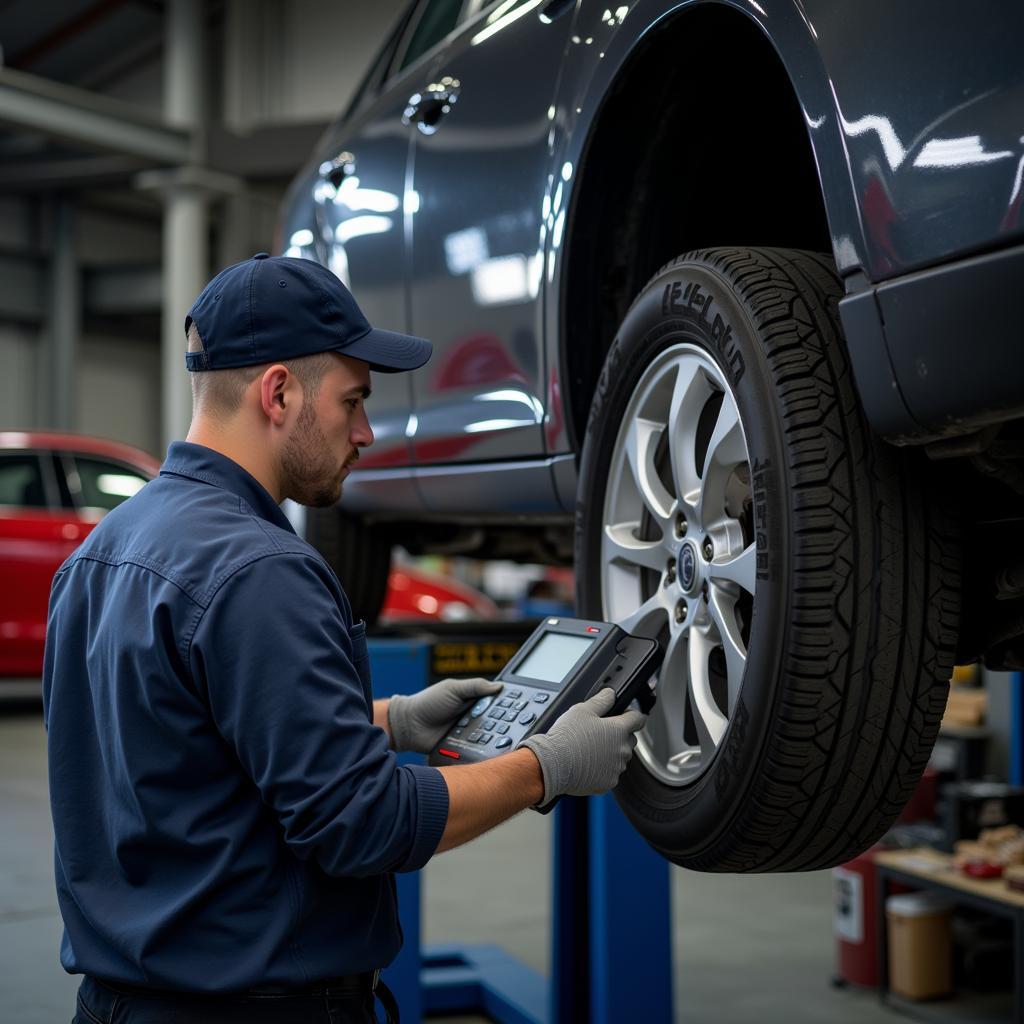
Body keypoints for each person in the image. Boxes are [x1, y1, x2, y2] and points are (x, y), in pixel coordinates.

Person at [43, 253, 647, 1024]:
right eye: (354, 401)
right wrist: (546, 765)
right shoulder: (261, 571)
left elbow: (170, 736)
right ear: (279, 391)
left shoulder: (100, 554)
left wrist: (388, 719)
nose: (365, 431)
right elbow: (364, 824)